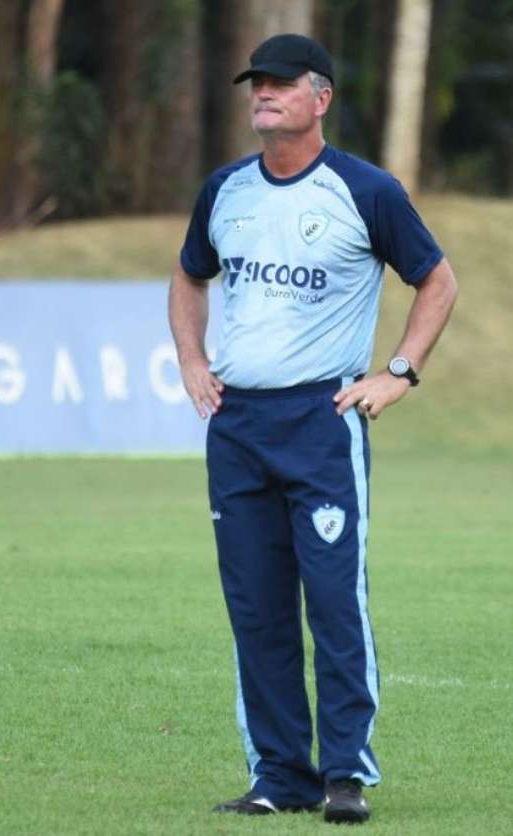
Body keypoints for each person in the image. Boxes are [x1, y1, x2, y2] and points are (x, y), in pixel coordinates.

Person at [168, 33, 457, 824]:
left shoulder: (366, 192)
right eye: (256, 83)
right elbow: (190, 275)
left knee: (334, 603)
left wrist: (396, 374)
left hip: (321, 421)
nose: (263, 93)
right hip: (238, 425)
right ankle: (280, 777)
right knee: (256, 608)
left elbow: (436, 279)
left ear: (319, 98)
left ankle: (345, 776)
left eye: (281, 83)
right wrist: (193, 360)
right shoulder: (225, 190)